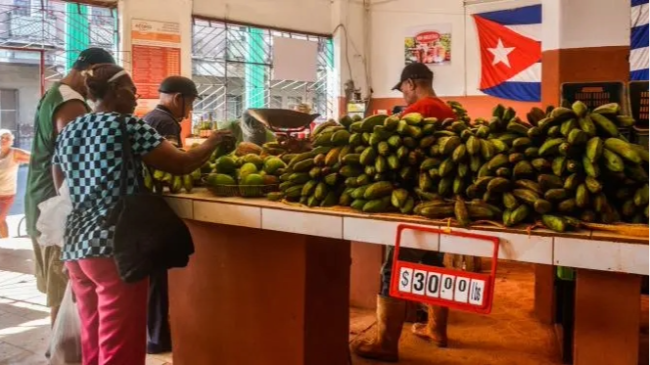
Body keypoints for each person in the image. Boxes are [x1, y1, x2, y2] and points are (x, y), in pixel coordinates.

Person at [52, 63, 232, 365]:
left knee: (93, 335)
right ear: (118, 92)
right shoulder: (127, 125)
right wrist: (213, 141)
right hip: (114, 246)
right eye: (134, 93)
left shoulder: (71, 128)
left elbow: (61, 184)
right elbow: (181, 164)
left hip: (75, 246)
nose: (137, 100)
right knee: (118, 342)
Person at [351, 63, 457, 363]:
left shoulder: (417, 111)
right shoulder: (447, 111)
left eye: (404, 89)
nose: (405, 95)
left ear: (411, 83)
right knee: (434, 265)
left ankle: (385, 343)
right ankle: (437, 329)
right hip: (440, 203)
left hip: (412, 204)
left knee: (395, 268)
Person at [25, 48, 117, 327]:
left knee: (66, 295)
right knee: (65, 295)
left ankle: (66, 351)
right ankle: (64, 354)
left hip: (45, 202)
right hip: (55, 207)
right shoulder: (70, 102)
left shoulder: (58, 94)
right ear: (90, 70)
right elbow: (75, 157)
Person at [141, 75, 201, 354]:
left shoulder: (151, 117)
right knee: (157, 276)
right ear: (179, 99)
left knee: (152, 278)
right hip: (154, 207)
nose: (189, 110)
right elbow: (177, 163)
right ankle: (157, 338)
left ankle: (154, 335)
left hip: (146, 206)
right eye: (189, 103)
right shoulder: (165, 122)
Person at [0, 130, 30, 238]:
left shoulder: (15, 153)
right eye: (1, 137)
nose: (3, 140)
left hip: (6, 194)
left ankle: (5, 242)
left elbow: (35, 159)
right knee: (1, 221)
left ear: (11, 141)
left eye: (7, 138)